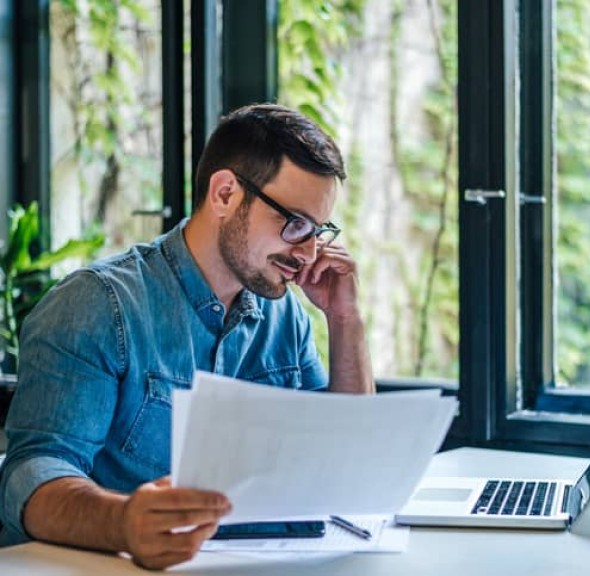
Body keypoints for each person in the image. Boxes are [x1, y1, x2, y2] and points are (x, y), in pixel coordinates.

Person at [0, 103, 374, 569]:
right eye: (294, 224)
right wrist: (123, 522)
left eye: (319, 232)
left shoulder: (286, 316)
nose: (309, 252)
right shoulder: (99, 304)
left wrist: (345, 319)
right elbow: (32, 473)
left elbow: (348, 465)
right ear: (224, 194)